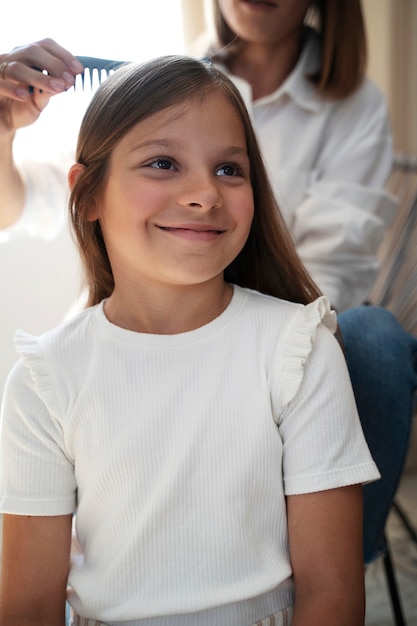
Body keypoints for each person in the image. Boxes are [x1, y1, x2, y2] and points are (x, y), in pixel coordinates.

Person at [0, 1, 415, 561]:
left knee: (375, 339)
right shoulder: (161, 76)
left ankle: (324, 559)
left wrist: (238, 342)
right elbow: (31, 202)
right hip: (142, 329)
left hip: (280, 326)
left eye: (229, 169)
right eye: (164, 163)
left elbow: (331, 270)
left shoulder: (354, 105)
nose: (203, 194)